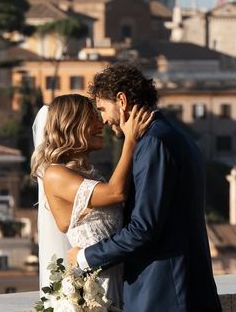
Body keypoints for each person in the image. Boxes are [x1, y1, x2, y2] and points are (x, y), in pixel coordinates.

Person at [68, 62, 221, 312]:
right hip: (183, 289)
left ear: (122, 100)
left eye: (103, 109)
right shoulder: (175, 136)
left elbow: (143, 228)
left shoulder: (154, 144)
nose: (104, 121)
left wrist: (85, 257)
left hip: (165, 295)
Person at [32, 93, 153, 308]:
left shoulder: (90, 173)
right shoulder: (55, 174)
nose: (102, 124)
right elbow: (116, 193)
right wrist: (130, 142)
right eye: (93, 118)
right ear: (72, 124)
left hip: (120, 282)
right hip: (99, 287)